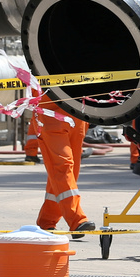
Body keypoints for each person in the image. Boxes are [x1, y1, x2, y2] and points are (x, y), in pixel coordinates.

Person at [35, 93, 97, 238]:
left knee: (70, 173)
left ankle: (47, 220)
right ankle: (77, 220)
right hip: (51, 115)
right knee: (63, 167)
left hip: (78, 114)